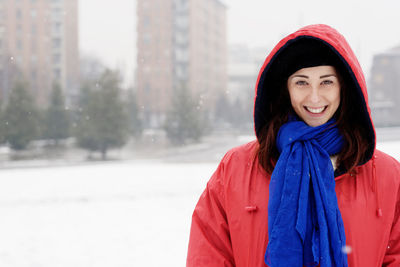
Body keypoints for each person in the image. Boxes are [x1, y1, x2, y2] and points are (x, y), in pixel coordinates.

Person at [186, 24, 400, 267]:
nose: (315, 97)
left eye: (327, 82)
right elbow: (208, 256)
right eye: (301, 82)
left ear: (344, 87)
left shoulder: (386, 176)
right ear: (285, 88)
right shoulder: (235, 169)